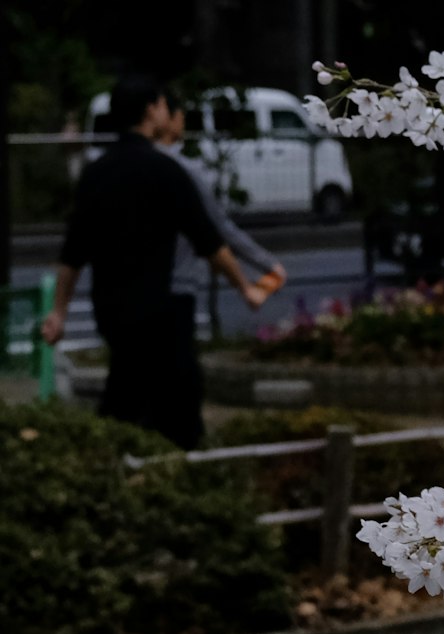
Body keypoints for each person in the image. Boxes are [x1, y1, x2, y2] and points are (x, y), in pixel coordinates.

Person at [41, 73, 268, 449]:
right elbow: (209, 240)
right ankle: (173, 472)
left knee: (126, 385)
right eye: (163, 104)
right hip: (159, 306)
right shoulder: (166, 171)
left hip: (110, 307)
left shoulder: (96, 172)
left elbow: (73, 251)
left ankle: (113, 457)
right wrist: (246, 288)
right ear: (151, 110)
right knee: (179, 399)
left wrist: (59, 312)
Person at [158, 88, 287, 338]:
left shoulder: (116, 168)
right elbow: (217, 228)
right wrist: (266, 265)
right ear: (166, 117)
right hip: (176, 285)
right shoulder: (183, 171)